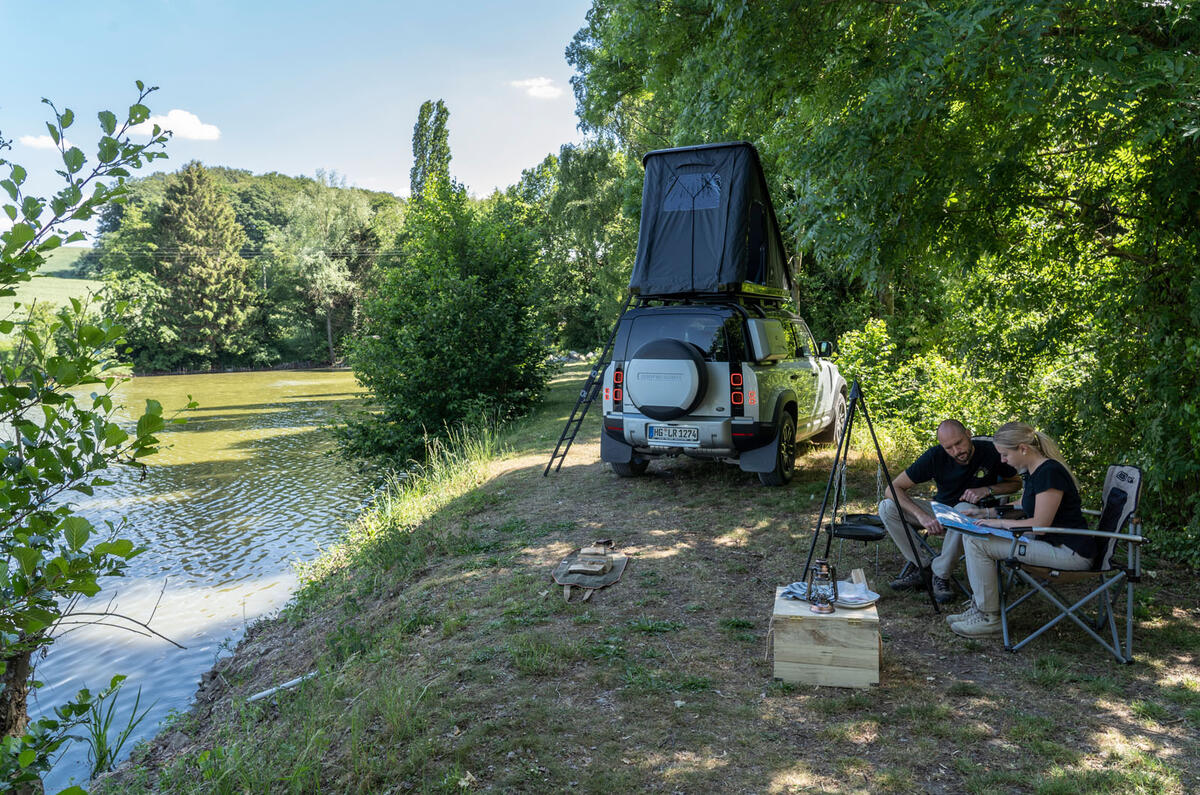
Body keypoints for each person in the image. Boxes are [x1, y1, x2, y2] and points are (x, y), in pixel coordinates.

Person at [947, 422, 1093, 638]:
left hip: (1070, 552)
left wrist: (999, 524)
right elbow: (1023, 506)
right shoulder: (1035, 471)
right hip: (1052, 544)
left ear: (1023, 449)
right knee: (975, 535)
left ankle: (989, 619)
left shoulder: (1050, 472)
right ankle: (980, 609)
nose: (1003, 461)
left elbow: (1040, 524)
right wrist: (985, 514)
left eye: (1005, 455)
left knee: (978, 542)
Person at [878, 420, 1021, 602]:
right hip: (940, 511)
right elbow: (892, 488)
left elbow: (1016, 483)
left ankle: (940, 573)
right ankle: (923, 567)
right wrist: (921, 515)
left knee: (963, 509)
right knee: (887, 507)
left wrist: (988, 490)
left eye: (959, 443)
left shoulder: (990, 452)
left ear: (968, 434)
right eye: (949, 448)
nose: (956, 451)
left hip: (972, 516)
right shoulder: (935, 456)